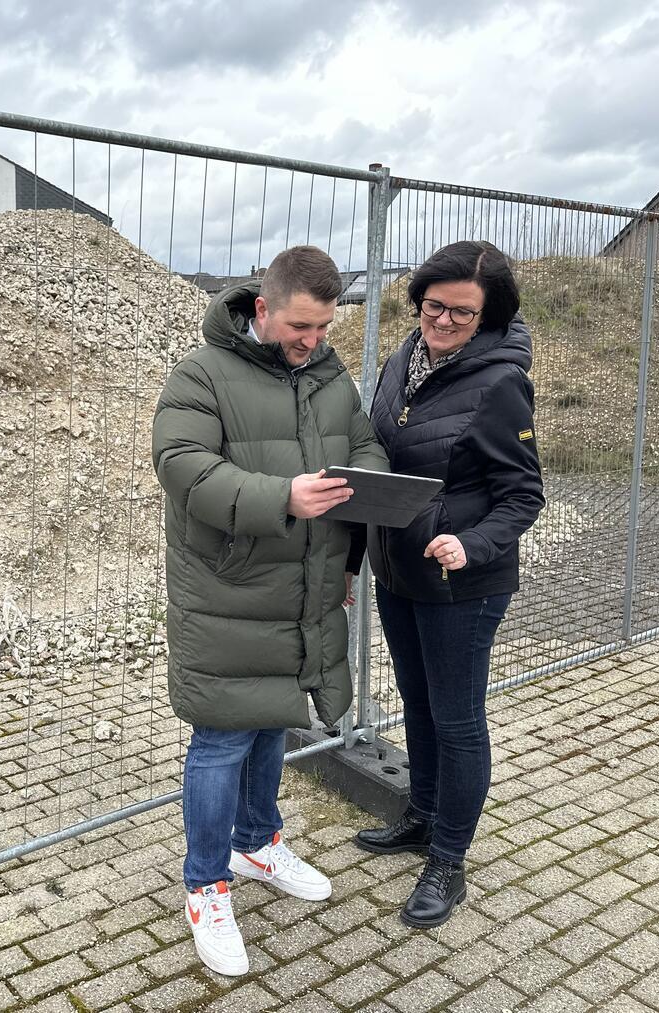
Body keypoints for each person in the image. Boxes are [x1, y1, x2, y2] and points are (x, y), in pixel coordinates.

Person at [152, 245, 389, 976]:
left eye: (323, 328)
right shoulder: (202, 374)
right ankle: (205, 884)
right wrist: (280, 497)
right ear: (261, 307)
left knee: (271, 722)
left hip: (304, 588)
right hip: (229, 592)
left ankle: (257, 842)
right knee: (222, 736)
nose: (312, 341)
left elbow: (367, 447)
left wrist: (362, 487)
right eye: (299, 325)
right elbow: (182, 463)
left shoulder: (328, 376)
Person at [354, 240, 544, 928]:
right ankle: (422, 815)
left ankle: (449, 859)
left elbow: (523, 495)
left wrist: (470, 543)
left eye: (462, 313)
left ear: (488, 316)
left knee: (458, 719)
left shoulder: (500, 382)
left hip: (464, 582)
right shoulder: (405, 355)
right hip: (400, 569)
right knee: (418, 703)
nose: (443, 321)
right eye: (435, 305)